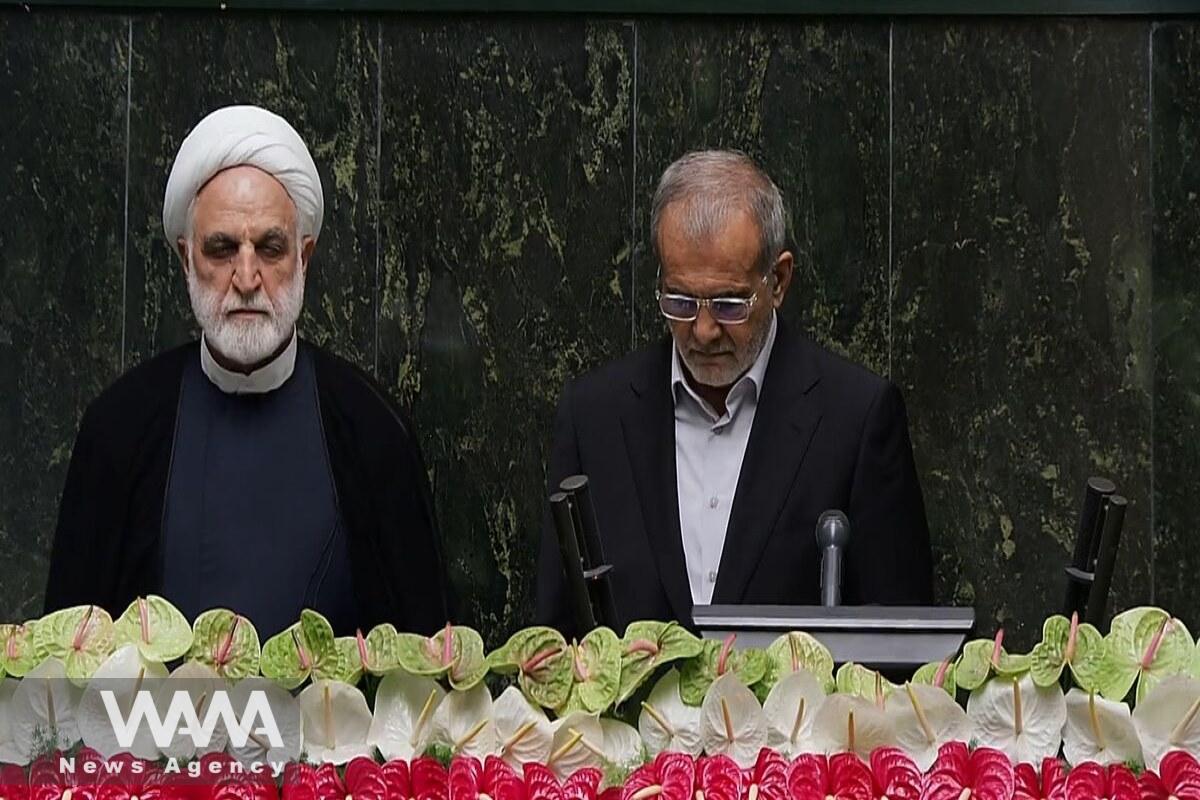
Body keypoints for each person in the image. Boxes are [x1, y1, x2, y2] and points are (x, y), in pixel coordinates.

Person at [44, 105, 450, 638]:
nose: (247, 276)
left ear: (305, 257)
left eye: (270, 247)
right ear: (186, 260)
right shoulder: (118, 430)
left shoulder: (373, 430)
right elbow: (59, 678)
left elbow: (429, 671)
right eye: (222, 248)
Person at [537, 150, 933, 633]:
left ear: (779, 281)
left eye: (728, 304)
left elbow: (901, 646)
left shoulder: (857, 418)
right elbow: (552, 645)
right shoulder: (594, 417)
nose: (703, 331)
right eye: (680, 301)